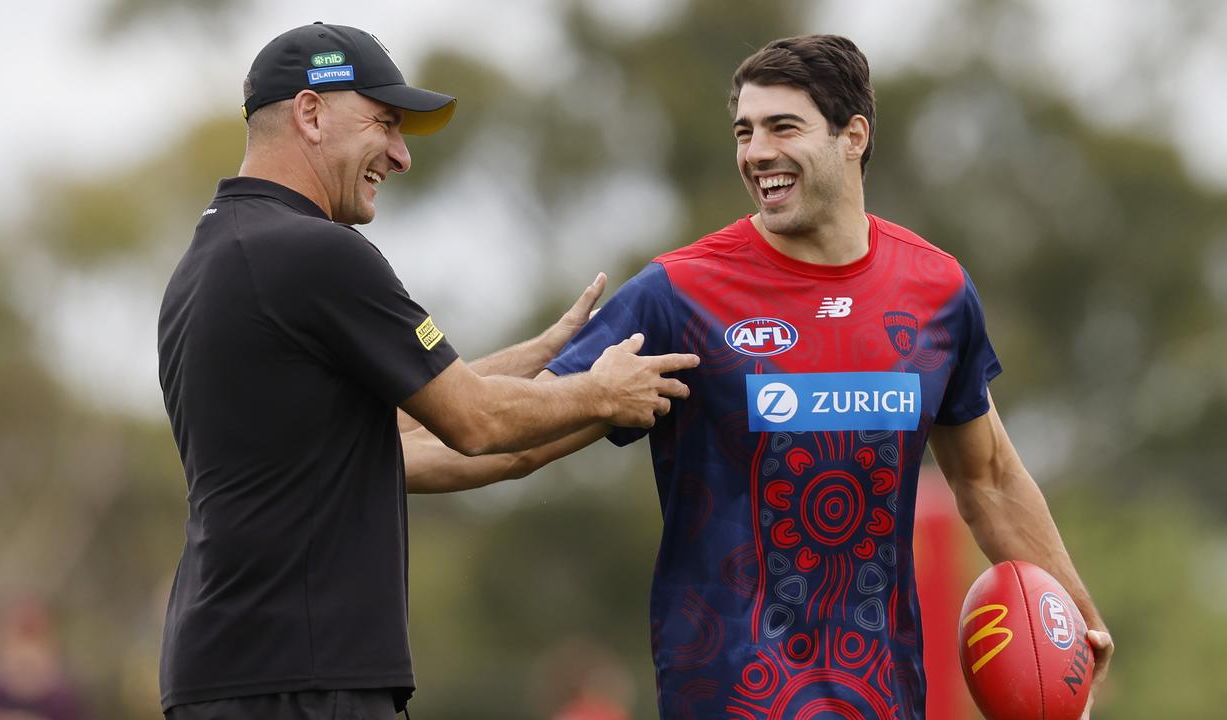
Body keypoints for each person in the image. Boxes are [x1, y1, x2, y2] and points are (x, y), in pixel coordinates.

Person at [402, 35, 1114, 719]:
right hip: (730, 698)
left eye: (782, 127)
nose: (757, 152)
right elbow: (512, 438)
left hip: (884, 698)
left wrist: (1075, 618)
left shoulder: (936, 291)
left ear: (854, 136)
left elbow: (987, 478)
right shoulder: (678, 295)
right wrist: (337, 464)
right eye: (744, 131)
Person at [155, 22, 699, 720]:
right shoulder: (316, 254)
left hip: (230, 673)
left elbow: (394, 427)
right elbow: (475, 422)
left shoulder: (213, 257)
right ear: (311, 113)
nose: (401, 155)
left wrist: (540, 358)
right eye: (384, 123)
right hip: (302, 684)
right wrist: (602, 390)